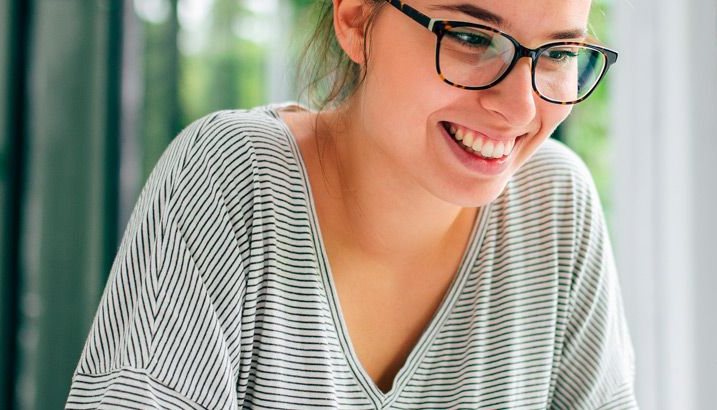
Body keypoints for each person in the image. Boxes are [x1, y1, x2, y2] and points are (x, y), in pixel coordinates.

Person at [64, 0, 632, 407]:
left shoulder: (553, 206)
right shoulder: (233, 179)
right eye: (470, 36)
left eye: (558, 53)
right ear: (357, 19)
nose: (521, 110)